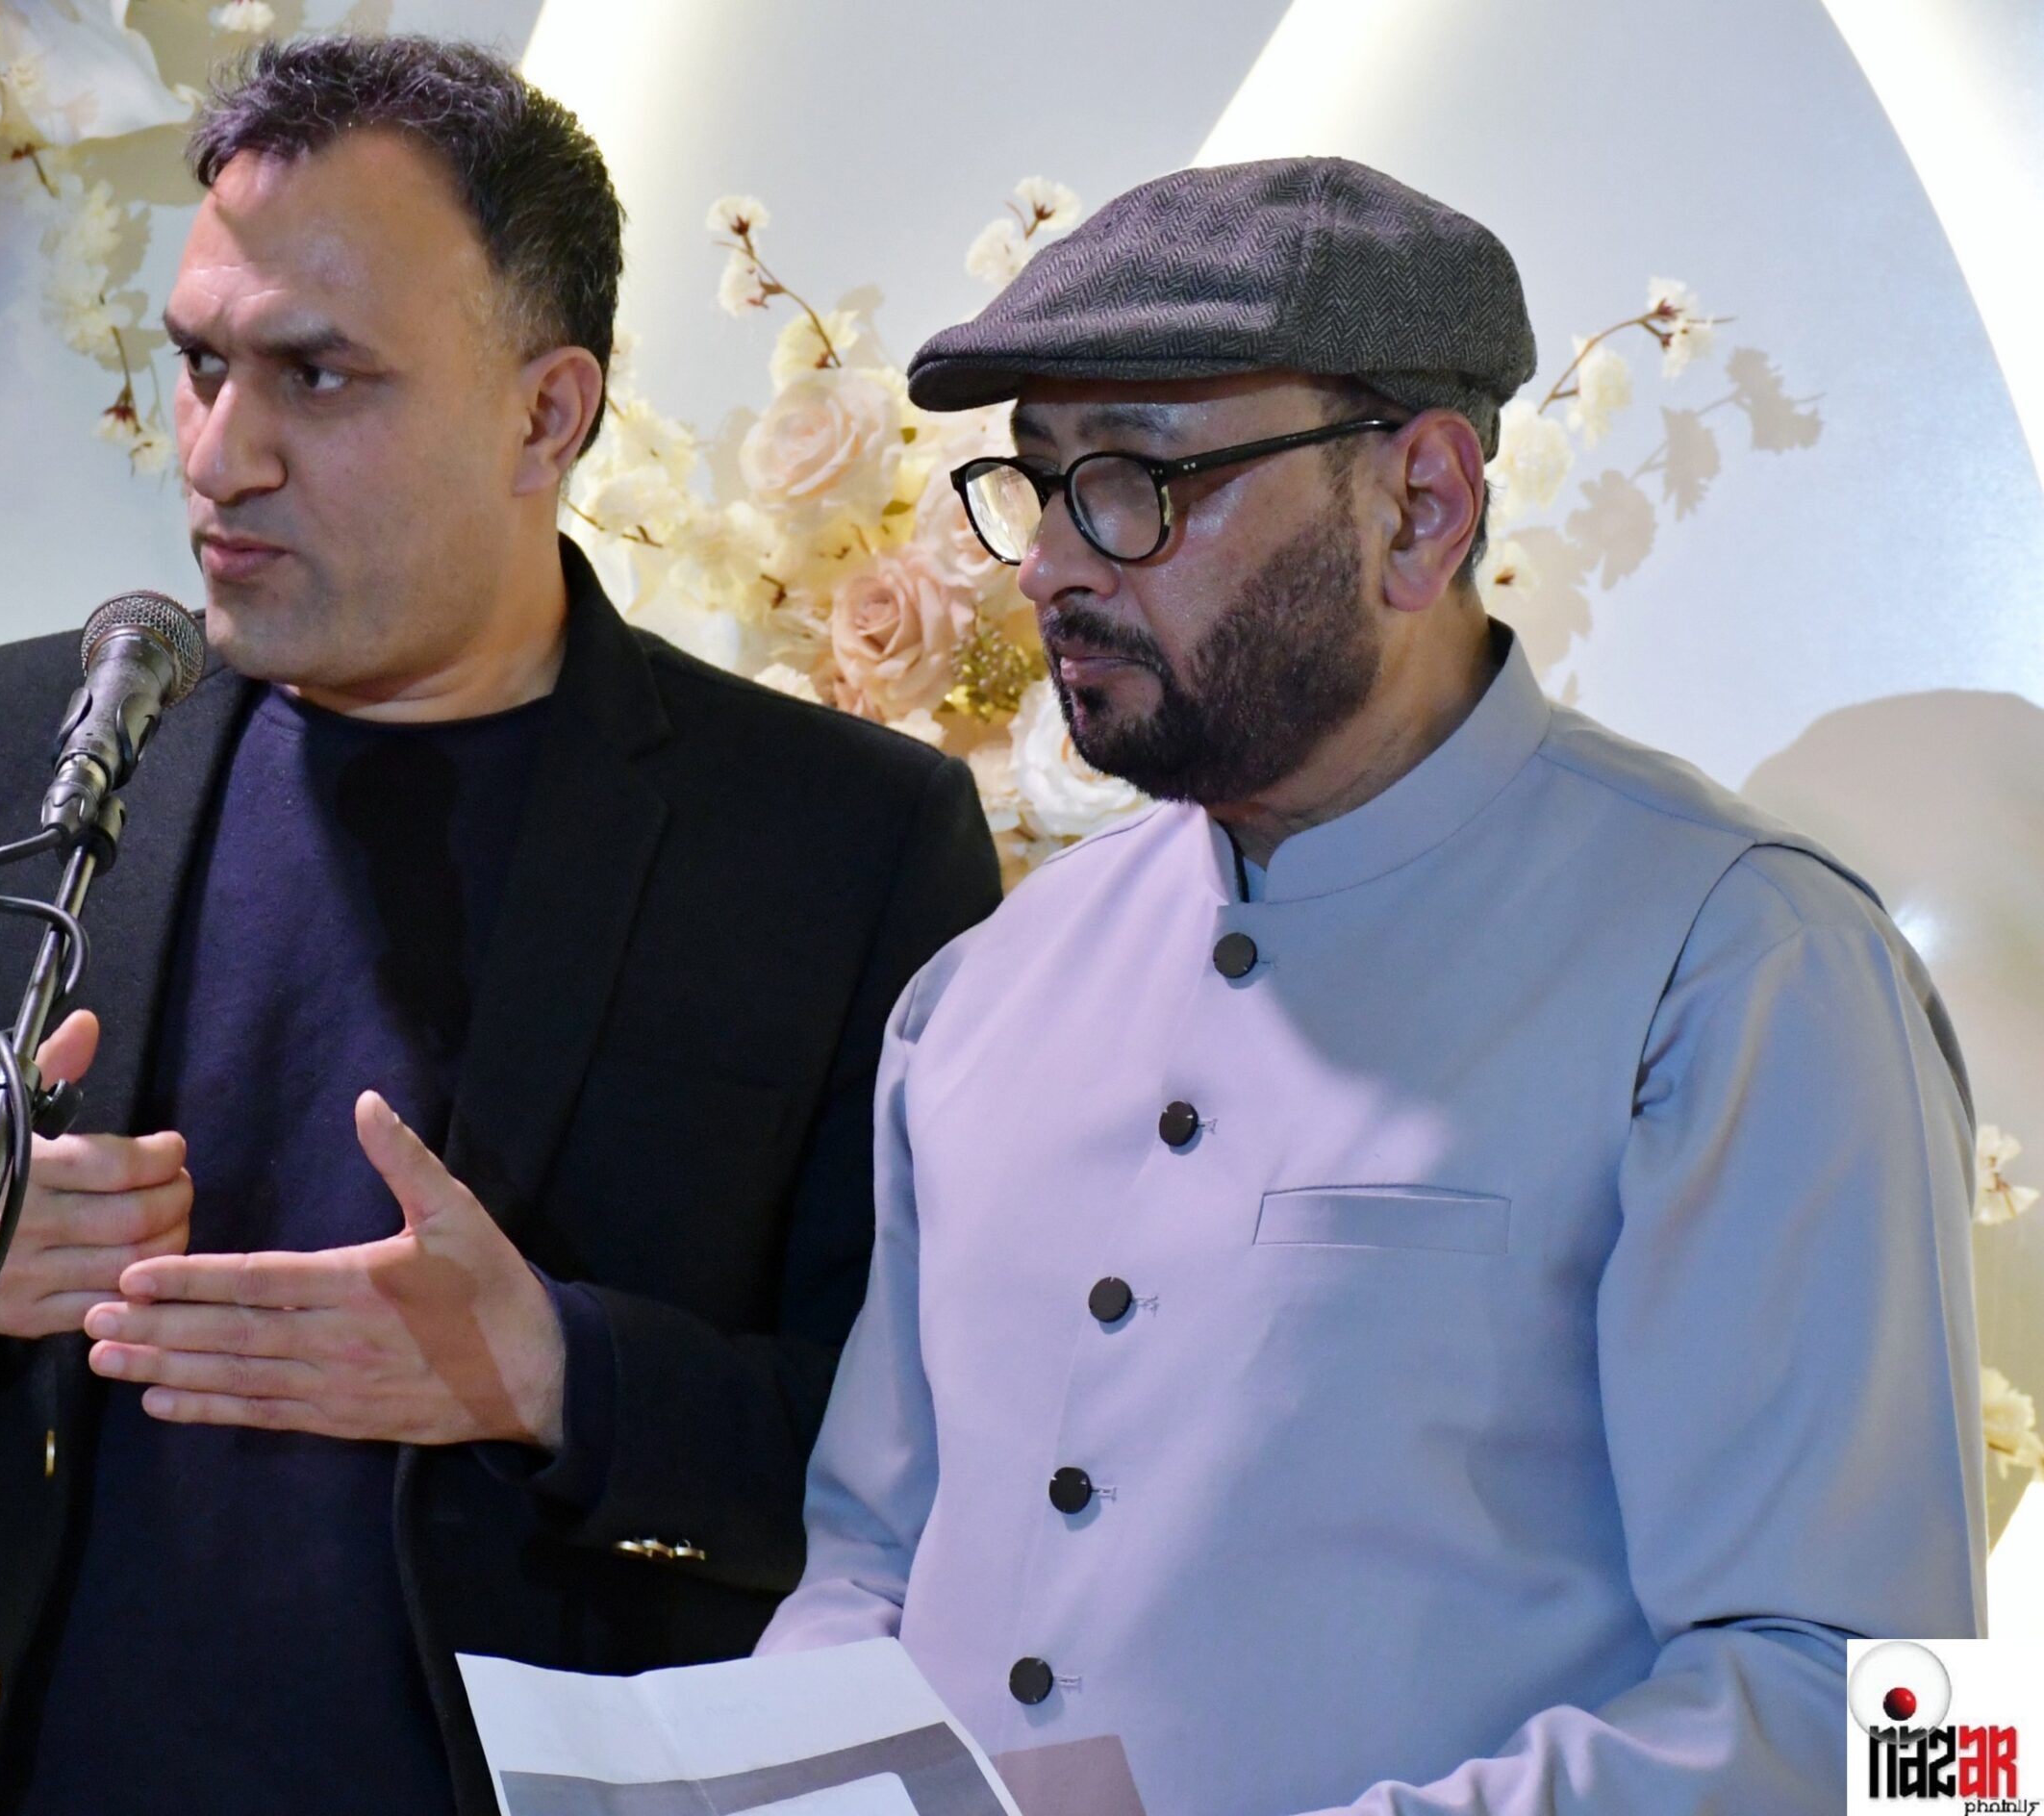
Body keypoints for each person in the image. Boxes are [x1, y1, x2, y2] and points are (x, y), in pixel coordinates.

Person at [0, 36, 999, 1816]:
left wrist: (562, 1377)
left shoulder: (838, 840)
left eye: (318, 374)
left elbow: (951, 1474)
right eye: (201, 363)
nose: (221, 454)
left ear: (547, 414)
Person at [756, 157, 1983, 1816]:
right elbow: (866, 1565)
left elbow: (1890, 1722)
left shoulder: (1741, 969)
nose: (1047, 565)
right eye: (1037, 483)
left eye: (1134, 481)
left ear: (1423, 504)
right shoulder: (981, 993)